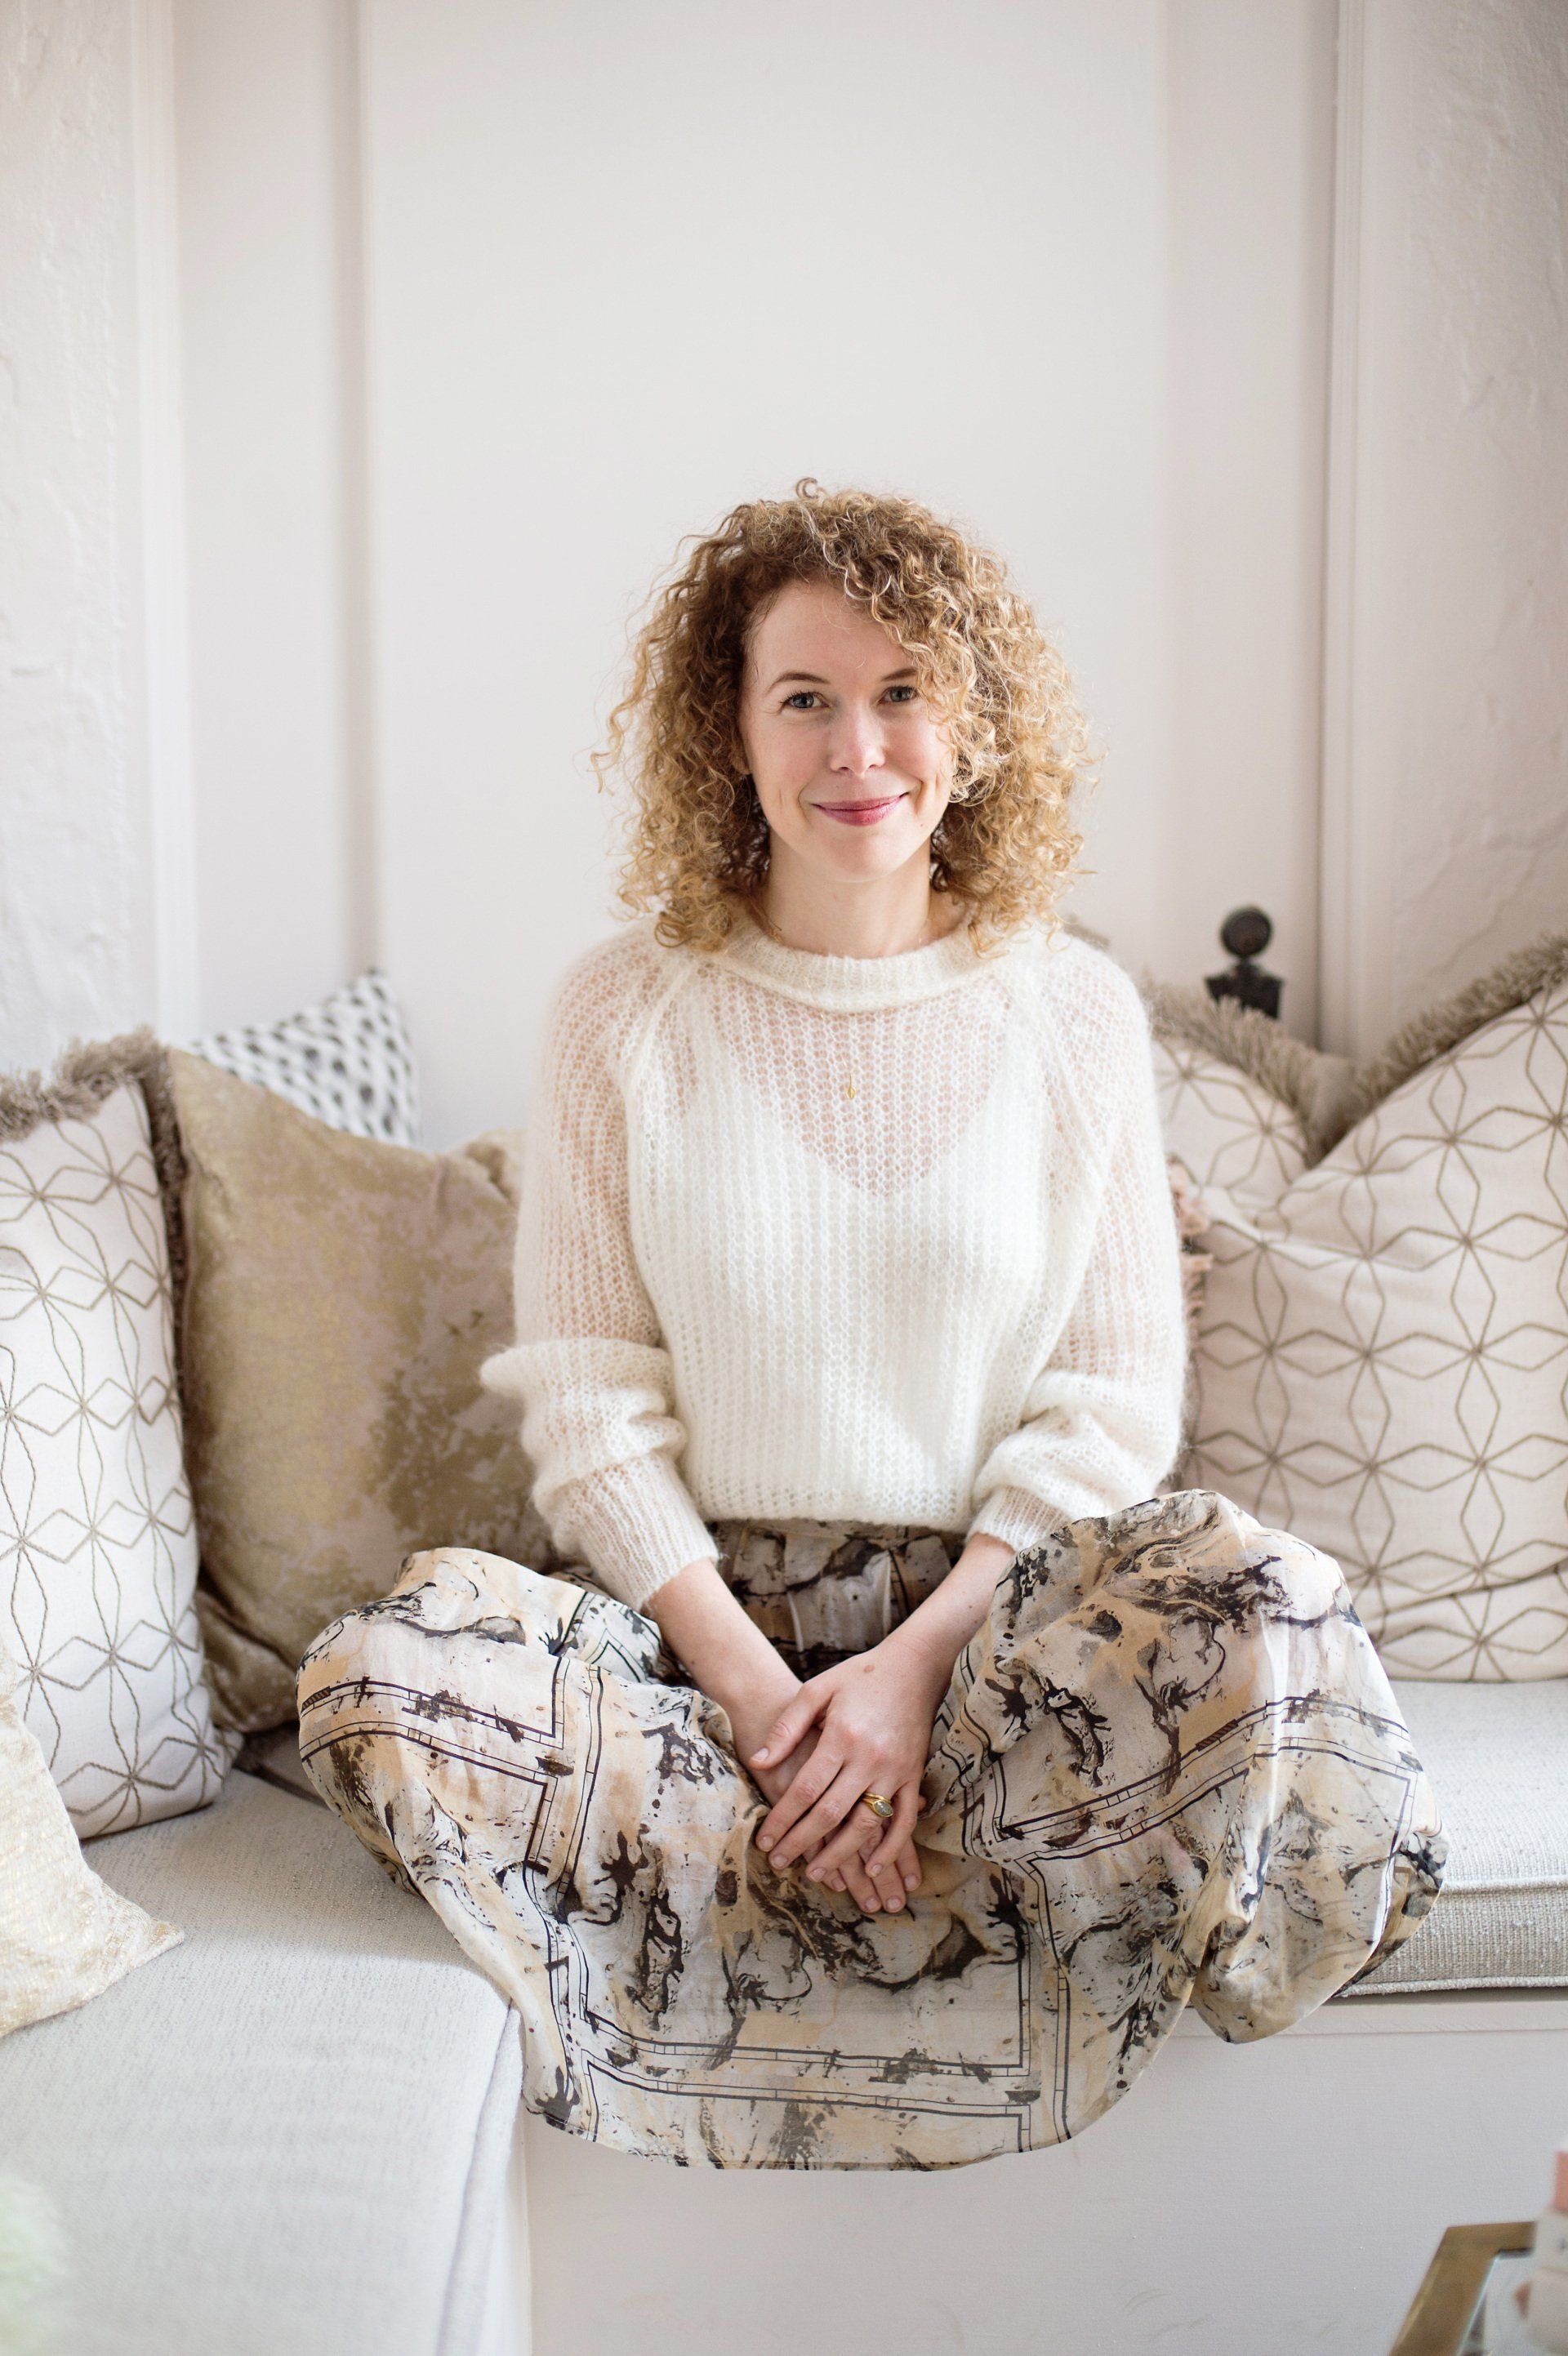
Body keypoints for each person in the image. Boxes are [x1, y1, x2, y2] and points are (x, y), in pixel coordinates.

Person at [297, 481, 1446, 2171]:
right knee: (380, 1680)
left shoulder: (1071, 1011)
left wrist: (914, 1678)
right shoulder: (623, 1012)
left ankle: (872, 1834)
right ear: (732, 731)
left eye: (906, 691)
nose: (863, 748)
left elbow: (1112, 1399)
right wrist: (772, 1708)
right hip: (706, 1666)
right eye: (807, 698)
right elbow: (594, 1410)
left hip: (1003, 1648)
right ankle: (863, 1844)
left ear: (971, 724)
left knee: (1273, 1606)